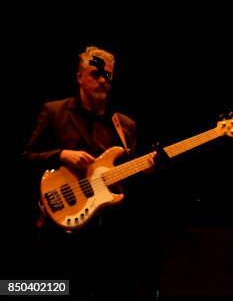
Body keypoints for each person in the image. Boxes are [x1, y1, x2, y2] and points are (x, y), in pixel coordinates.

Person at [23, 46, 147, 298]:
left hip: (109, 239)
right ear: (79, 77)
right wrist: (60, 154)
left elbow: (131, 181)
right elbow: (24, 159)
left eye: (108, 76)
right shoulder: (54, 111)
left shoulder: (125, 125)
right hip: (59, 236)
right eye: (95, 74)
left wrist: (148, 169)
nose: (103, 80)